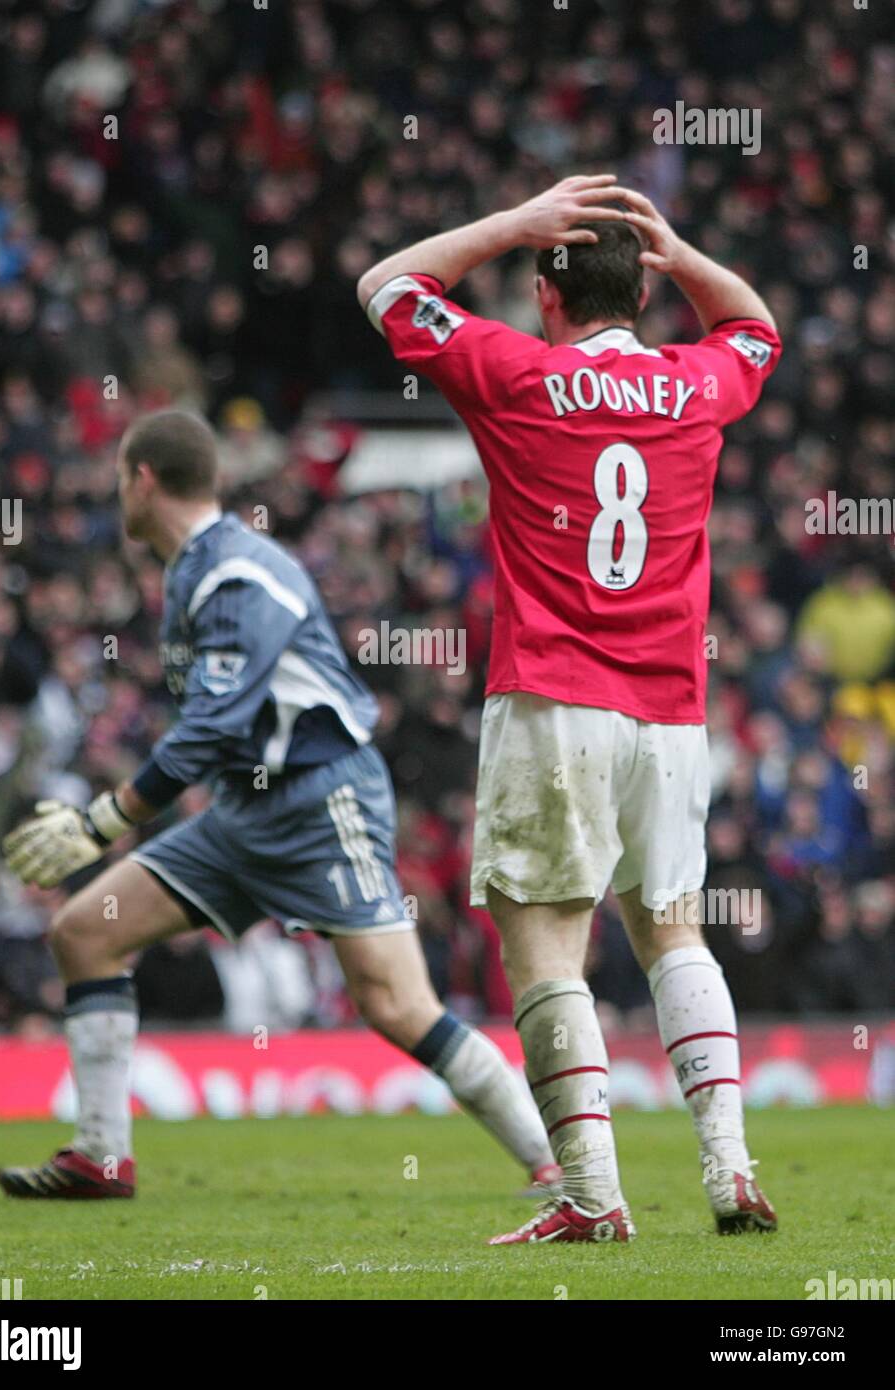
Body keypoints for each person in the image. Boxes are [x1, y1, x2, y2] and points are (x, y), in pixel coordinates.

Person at [358, 175, 781, 1243]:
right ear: (641, 294)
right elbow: (753, 327)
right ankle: (728, 1170)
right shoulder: (695, 383)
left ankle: (590, 1195)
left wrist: (509, 221)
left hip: (553, 696)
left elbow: (387, 287)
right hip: (672, 714)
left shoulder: (516, 372)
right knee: (673, 932)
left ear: (545, 293)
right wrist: (675, 251)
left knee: (546, 947)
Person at [0, 409, 560, 1198]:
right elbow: (221, 731)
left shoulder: (235, 573)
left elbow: (212, 723)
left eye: (121, 477)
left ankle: (551, 1162)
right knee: (83, 933)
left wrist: (103, 821)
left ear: (142, 479)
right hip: (241, 809)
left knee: (394, 1003)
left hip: (322, 802)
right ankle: (100, 1155)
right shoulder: (195, 567)